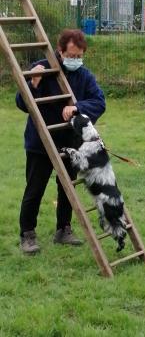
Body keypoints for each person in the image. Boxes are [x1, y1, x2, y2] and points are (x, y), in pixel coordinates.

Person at [16, 29, 106, 255]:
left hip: (69, 142)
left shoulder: (84, 76)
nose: (76, 60)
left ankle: (63, 230)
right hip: (41, 142)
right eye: (72, 55)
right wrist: (33, 83)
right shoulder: (42, 68)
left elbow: (99, 102)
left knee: (67, 188)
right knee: (35, 188)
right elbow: (21, 103)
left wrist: (78, 107)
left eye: (79, 56)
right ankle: (27, 234)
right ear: (60, 51)